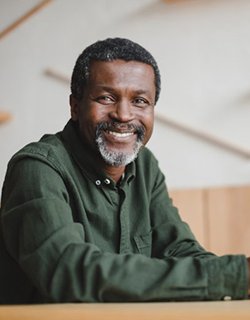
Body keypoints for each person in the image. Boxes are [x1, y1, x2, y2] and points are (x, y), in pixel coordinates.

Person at [0, 38, 249, 304]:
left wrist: (236, 280)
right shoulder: (37, 168)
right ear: (75, 106)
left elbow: (180, 248)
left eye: (140, 101)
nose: (123, 115)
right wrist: (234, 275)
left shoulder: (144, 165)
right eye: (106, 98)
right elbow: (71, 272)